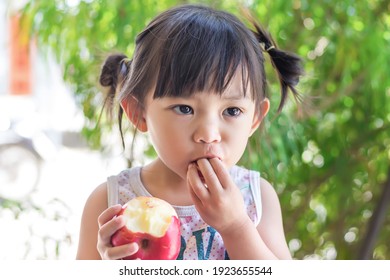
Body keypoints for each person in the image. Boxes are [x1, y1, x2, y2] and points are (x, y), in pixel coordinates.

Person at [76, 4, 303, 260]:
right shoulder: (111, 203)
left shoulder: (256, 197)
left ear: (255, 119)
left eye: (232, 111)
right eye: (185, 108)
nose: (209, 134)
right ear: (138, 112)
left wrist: (236, 226)